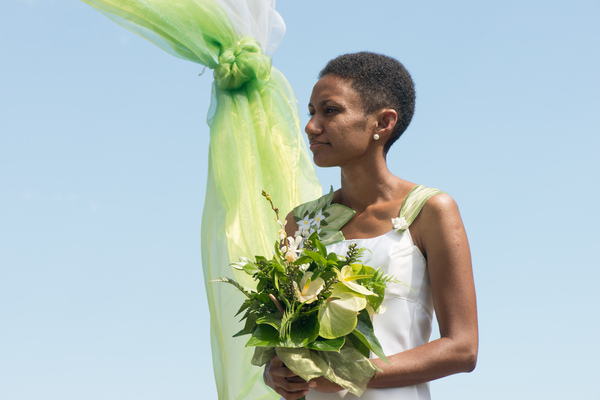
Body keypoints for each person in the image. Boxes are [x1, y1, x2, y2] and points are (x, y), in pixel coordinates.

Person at [263, 52, 478, 400]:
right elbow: (284, 341)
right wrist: (275, 373)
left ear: (382, 123)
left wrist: (352, 373)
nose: (311, 126)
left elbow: (462, 348)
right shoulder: (299, 222)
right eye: (311, 112)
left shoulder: (430, 210)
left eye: (329, 111)